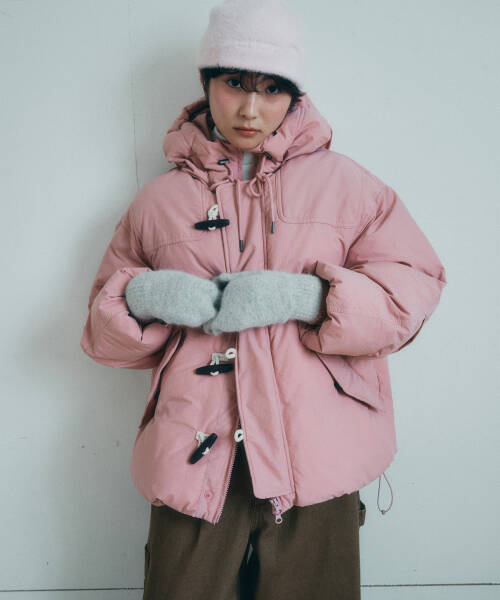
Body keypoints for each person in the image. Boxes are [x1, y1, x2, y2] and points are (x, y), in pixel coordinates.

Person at [80, 0, 447, 598]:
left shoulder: (350, 187)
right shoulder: (157, 203)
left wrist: (311, 297)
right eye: (234, 83)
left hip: (318, 460)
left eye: (273, 88)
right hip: (193, 459)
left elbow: (412, 290)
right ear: (206, 83)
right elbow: (101, 330)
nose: (251, 108)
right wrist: (144, 294)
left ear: (294, 94)